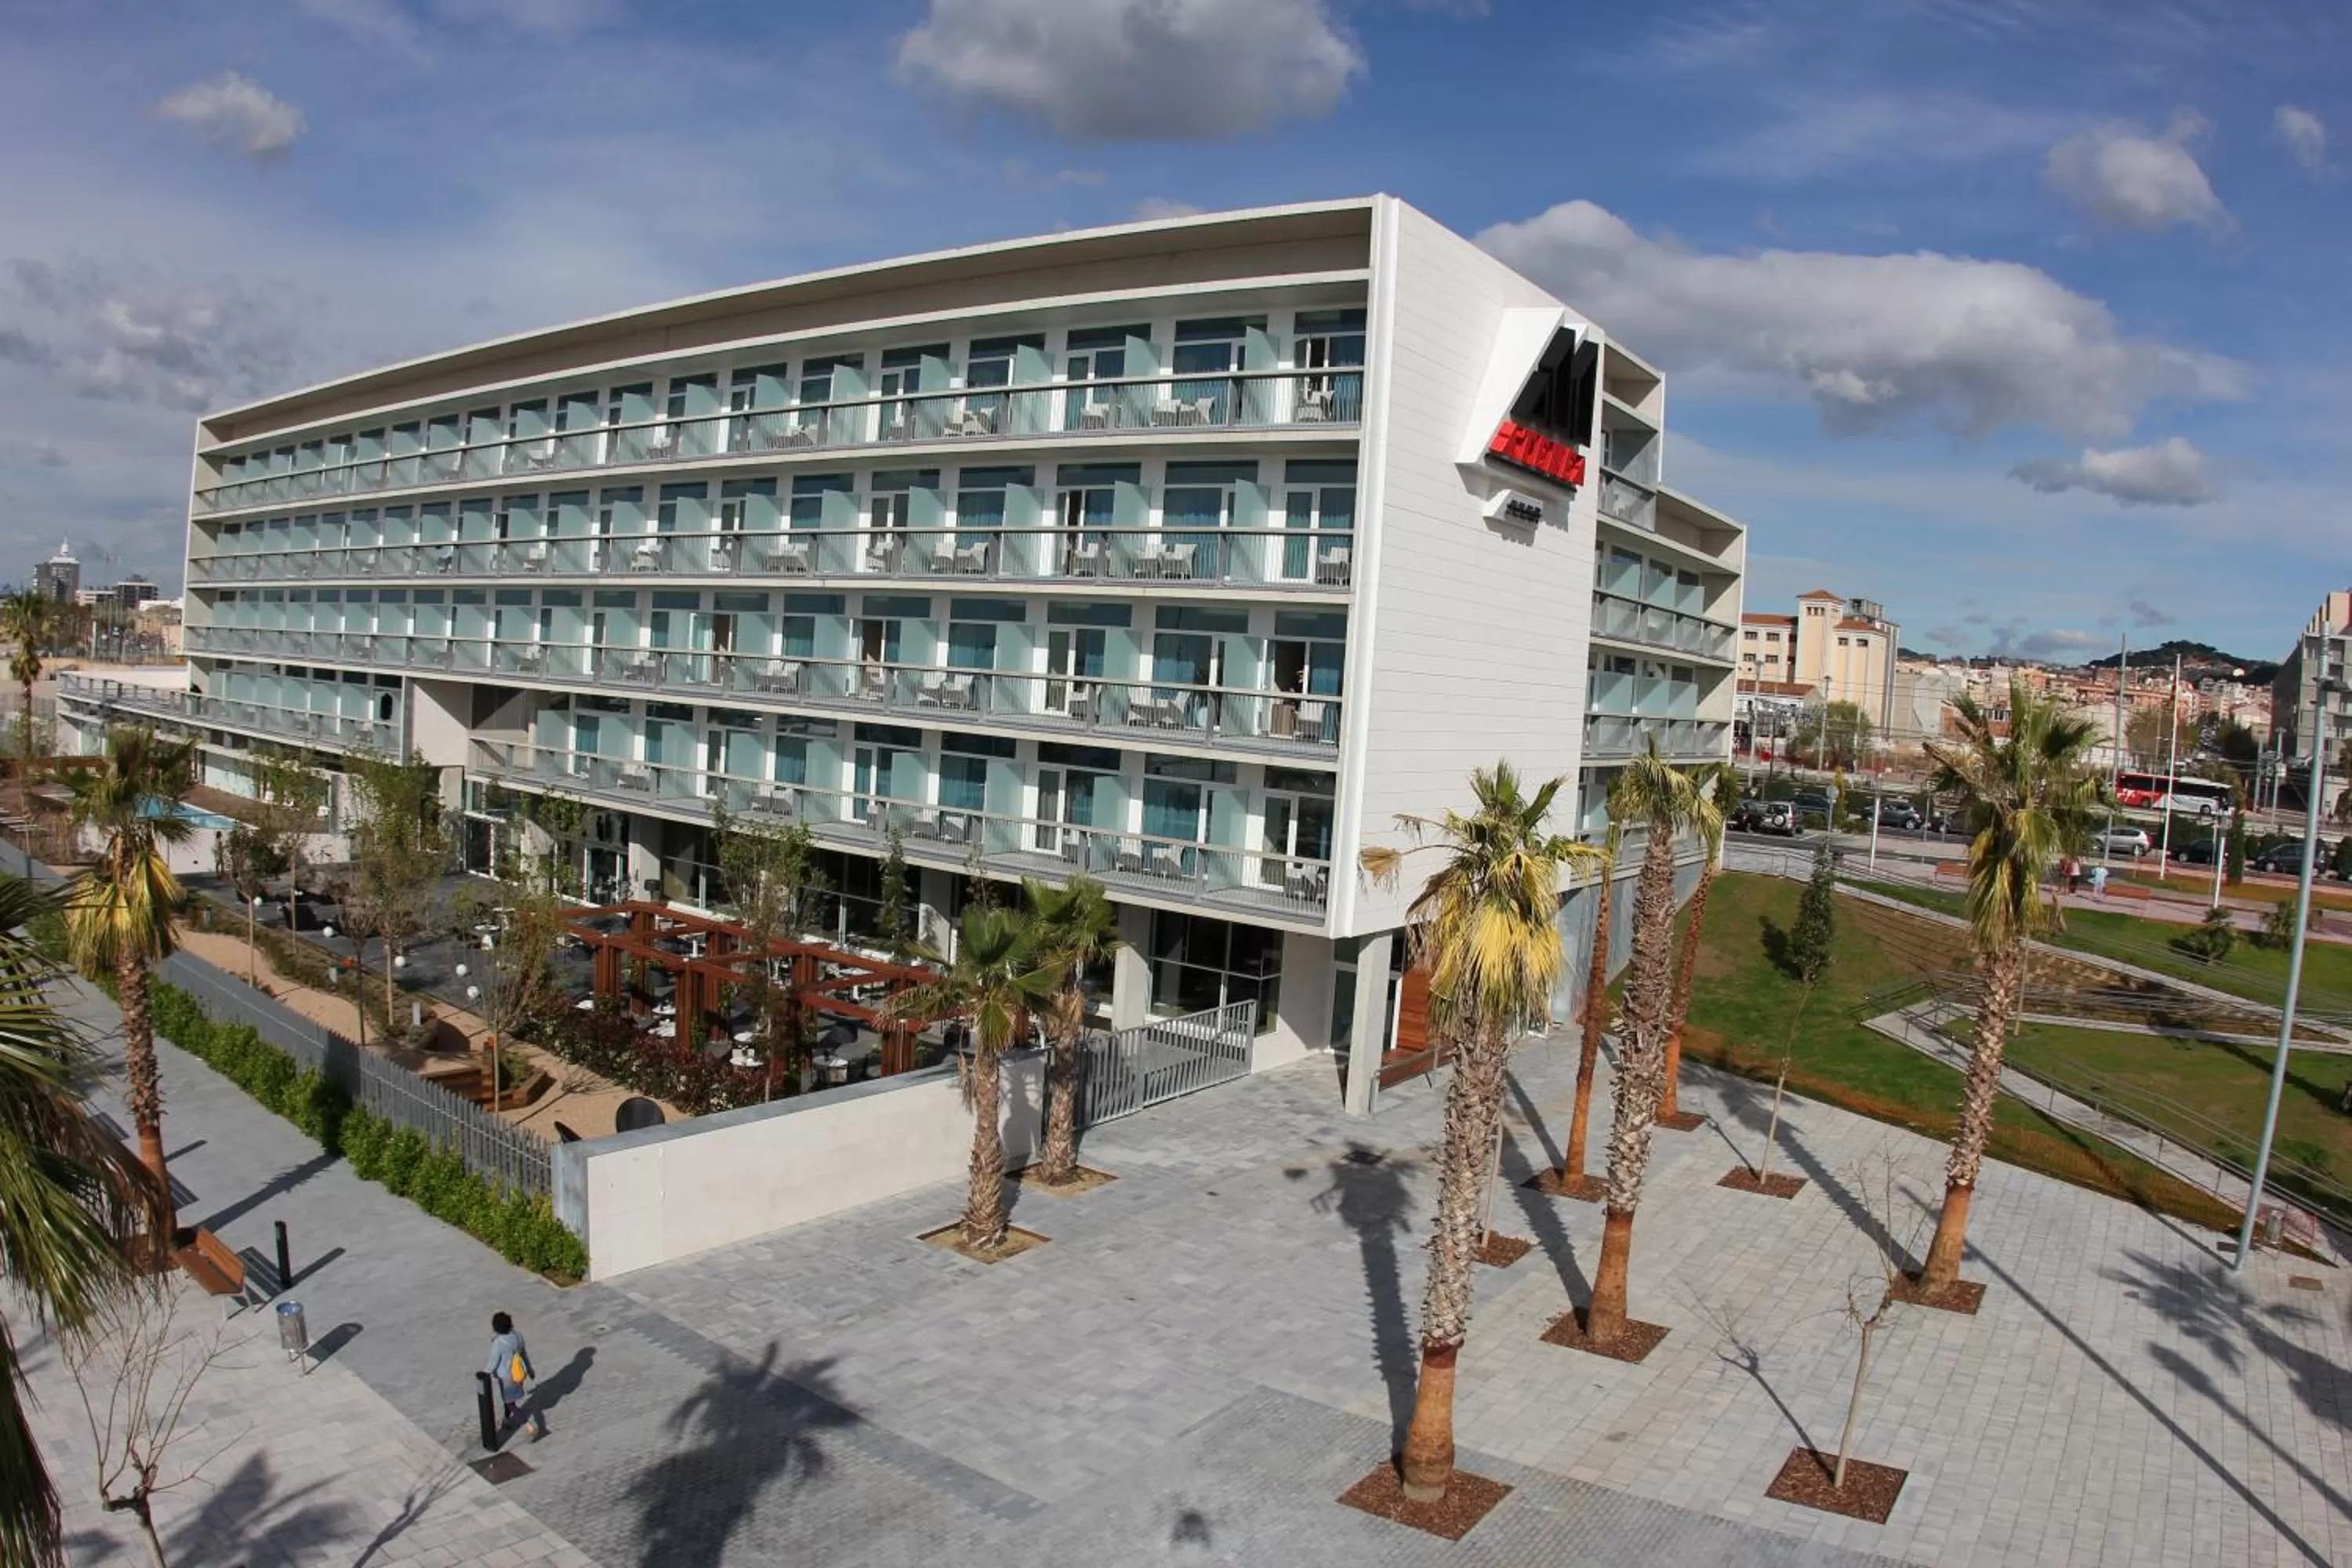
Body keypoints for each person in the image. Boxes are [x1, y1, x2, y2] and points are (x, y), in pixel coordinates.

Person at [485, 1310, 546, 1441]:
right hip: (518, 1374)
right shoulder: (518, 1336)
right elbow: (524, 1354)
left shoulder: (499, 1343)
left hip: (506, 1378)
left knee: (510, 1403)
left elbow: (493, 1363)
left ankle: (529, 1424)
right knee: (509, 1399)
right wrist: (529, 1370)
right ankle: (506, 1420)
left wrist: (484, 1375)